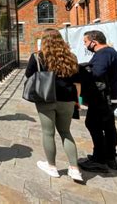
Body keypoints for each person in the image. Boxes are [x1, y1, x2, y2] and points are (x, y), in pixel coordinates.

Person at [25, 28, 83, 181]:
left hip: (46, 98)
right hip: (68, 99)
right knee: (66, 132)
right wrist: (78, 101)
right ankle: (74, 169)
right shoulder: (72, 57)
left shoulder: (38, 57)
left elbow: (28, 75)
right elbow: (77, 83)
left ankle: (52, 167)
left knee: (48, 133)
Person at [78, 30, 117, 172]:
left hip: (104, 97)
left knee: (93, 124)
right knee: (108, 126)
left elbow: (97, 72)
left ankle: (100, 160)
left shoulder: (104, 54)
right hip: (111, 96)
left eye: (86, 42)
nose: (85, 45)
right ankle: (110, 157)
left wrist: (81, 68)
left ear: (94, 41)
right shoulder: (109, 52)